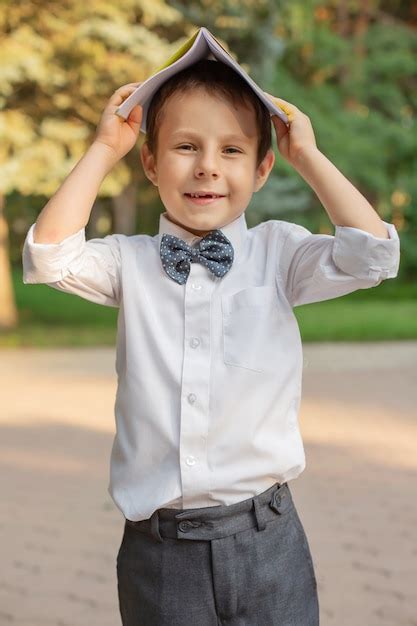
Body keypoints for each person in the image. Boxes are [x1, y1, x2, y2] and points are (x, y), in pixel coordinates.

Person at [22, 58, 400, 625]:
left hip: (268, 539)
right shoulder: (129, 261)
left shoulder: (279, 253)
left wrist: (310, 158)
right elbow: (50, 255)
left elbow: (374, 255)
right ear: (150, 161)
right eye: (185, 147)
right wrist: (104, 149)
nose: (207, 168)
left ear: (263, 167)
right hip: (159, 553)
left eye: (231, 150)